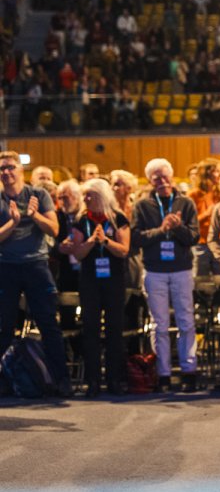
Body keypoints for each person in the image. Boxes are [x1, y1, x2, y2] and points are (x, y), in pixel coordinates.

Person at [0, 150, 72, 397]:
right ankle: (5, 381)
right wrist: (13, 222)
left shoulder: (38, 194)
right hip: (6, 267)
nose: (6, 172)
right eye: (2, 169)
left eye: (10, 167)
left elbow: (53, 229)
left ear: (21, 170)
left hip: (36, 266)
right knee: (3, 327)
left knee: (48, 325)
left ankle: (61, 380)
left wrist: (34, 216)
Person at [132, 158, 200, 392]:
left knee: (186, 322)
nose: (161, 181)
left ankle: (189, 371)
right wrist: (162, 230)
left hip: (181, 269)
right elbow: (137, 238)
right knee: (158, 325)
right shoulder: (142, 205)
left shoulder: (186, 203)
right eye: (156, 177)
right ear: (150, 180)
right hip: (155, 271)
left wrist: (177, 227)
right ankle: (162, 374)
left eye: (164, 176)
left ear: (172, 176)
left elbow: (193, 237)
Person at [68, 179, 130, 396]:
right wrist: (92, 241)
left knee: (115, 329)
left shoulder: (118, 218)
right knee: (91, 329)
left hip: (113, 279)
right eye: (84, 195)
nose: (86, 199)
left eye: (90, 195)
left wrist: (105, 242)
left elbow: (123, 250)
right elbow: (77, 253)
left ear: (102, 196)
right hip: (90, 280)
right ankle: (92, 380)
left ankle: (114, 379)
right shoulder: (81, 220)